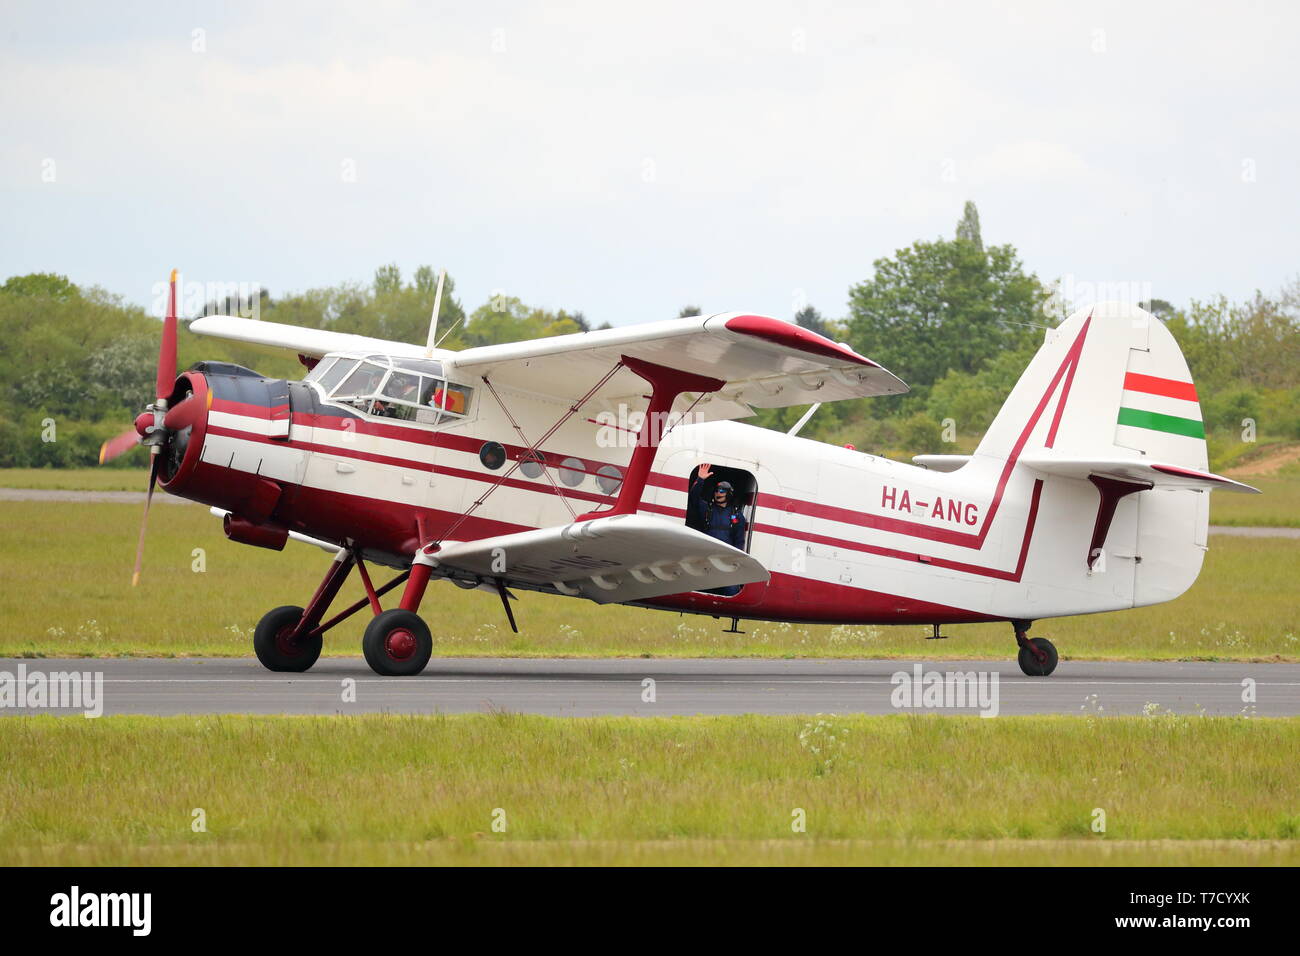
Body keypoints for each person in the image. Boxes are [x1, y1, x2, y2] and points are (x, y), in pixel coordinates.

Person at [686, 463, 748, 596]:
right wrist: (701, 479)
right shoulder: (707, 509)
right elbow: (693, 498)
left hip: (725, 562)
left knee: (732, 591)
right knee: (695, 591)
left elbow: (739, 541)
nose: (717, 493)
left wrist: (734, 563)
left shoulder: (737, 516)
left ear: (729, 494)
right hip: (705, 559)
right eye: (716, 490)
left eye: (721, 491)